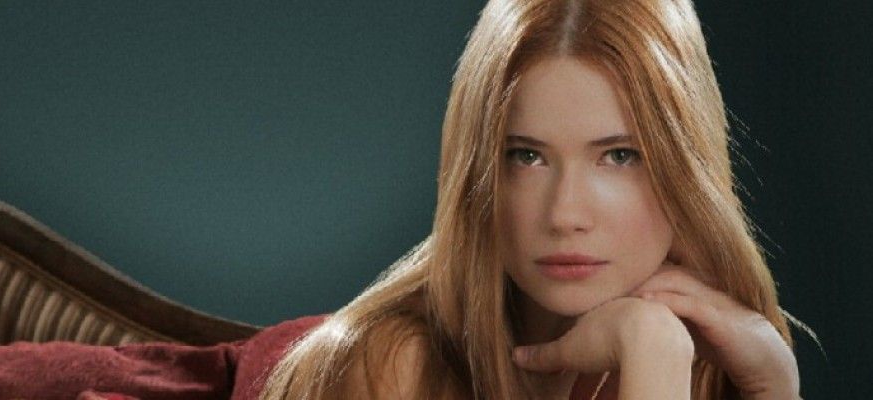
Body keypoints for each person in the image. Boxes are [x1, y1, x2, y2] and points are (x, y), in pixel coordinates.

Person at [257, 0, 803, 399]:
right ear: (477, 174)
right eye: (526, 156)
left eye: (619, 156)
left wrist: (774, 388)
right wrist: (652, 349)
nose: (565, 215)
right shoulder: (394, 369)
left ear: (686, 171)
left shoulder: (717, 362)